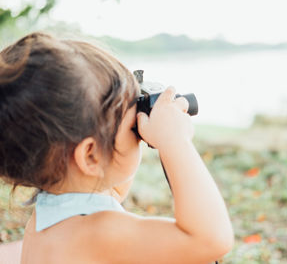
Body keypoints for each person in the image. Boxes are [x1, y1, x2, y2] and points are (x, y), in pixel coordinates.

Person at [0, 32, 234, 264]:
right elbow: (209, 241)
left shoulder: (50, 217)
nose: (138, 134)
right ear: (90, 156)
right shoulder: (99, 232)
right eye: (132, 126)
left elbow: (109, 191)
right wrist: (174, 141)